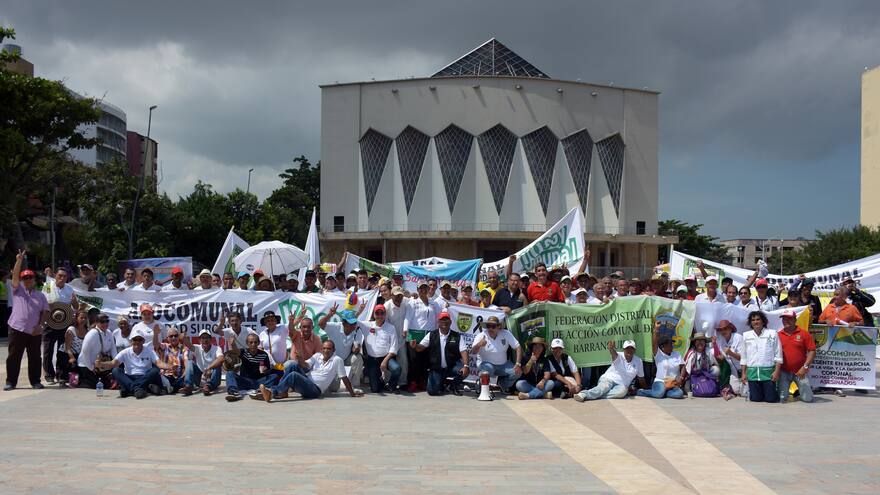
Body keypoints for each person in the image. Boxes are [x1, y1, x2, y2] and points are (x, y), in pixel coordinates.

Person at [259, 339, 364, 402]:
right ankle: (283, 392)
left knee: (294, 375)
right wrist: (299, 358)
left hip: (314, 390)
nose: (326, 350)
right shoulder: (318, 355)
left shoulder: (337, 360)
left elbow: (344, 378)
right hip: (307, 382)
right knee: (293, 366)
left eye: (329, 349)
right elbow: (305, 366)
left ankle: (273, 393)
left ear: (333, 350)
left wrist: (352, 393)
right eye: (324, 348)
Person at [5, 249, 49, 391]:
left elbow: (46, 311)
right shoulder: (18, 290)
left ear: (34, 280)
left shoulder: (40, 296)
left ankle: (35, 381)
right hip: (17, 328)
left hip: (34, 331)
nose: (27, 280)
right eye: (25, 278)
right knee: (13, 357)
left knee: (35, 357)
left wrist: (41, 325)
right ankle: (11, 382)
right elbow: (15, 276)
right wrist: (19, 260)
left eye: (30, 278)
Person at [96, 331, 172, 398]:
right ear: (131, 341)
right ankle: (138, 389)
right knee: (116, 370)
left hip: (144, 377)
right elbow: (113, 363)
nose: (137, 342)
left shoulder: (149, 350)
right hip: (129, 377)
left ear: (143, 341)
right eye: (135, 339)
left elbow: (158, 363)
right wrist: (101, 364)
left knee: (155, 370)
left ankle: (130, 389)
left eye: (140, 340)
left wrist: (170, 366)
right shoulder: (125, 352)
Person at [461, 316, 522, 393]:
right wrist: (479, 344)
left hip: (503, 365)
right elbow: (473, 351)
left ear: (499, 327)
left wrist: (518, 364)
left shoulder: (506, 333)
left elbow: (518, 347)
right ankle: (481, 385)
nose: (490, 329)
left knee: (517, 372)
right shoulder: (481, 335)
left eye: (493, 326)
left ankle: (502, 385)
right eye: (488, 326)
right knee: (488, 368)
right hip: (486, 365)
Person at [410, 311, 463, 396]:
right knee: (432, 391)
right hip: (437, 368)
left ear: (450, 322)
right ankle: (442, 383)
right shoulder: (431, 334)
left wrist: (466, 365)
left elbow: (463, 351)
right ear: (438, 322)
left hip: (452, 366)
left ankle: (453, 385)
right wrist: (415, 346)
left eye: (446, 320)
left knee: (464, 371)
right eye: (442, 320)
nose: (444, 322)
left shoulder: (456, 335)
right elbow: (420, 348)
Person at [41, 266, 78, 383]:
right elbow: (43, 303)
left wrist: (74, 302)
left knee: (62, 350)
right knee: (48, 349)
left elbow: (76, 308)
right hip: (49, 322)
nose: (62, 278)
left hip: (64, 323)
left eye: (64, 276)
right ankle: (49, 374)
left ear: (67, 278)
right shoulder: (47, 287)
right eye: (59, 276)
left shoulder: (70, 290)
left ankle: (61, 375)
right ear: (55, 276)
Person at [575, 340, 645, 401]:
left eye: (631, 348)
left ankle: (596, 395)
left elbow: (641, 378)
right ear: (623, 349)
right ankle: (584, 394)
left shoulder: (638, 361)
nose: (629, 350)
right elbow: (613, 353)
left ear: (635, 350)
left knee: (622, 393)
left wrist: (646, 388)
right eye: (627, 348)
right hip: (608, 379)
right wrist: (611, 348)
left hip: (622, 385)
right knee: (603, 388)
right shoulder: (619, 355)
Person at [318, 304, 365, 392]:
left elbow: (357, 346)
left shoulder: (357, 330)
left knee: (357, 358)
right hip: (334, 361)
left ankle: (355, 386)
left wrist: (356, 349)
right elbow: (320, 324)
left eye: (354, 323)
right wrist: (329, 315)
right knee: (334, 388)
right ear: (343, 323)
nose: (353, 325)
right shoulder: (335, 327)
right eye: (351, 323)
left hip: (346, 359)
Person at [741, 311, 783, 403]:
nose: (755, 322)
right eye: (753, 320)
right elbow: (744, 357)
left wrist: (776, 372)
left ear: (763, 321)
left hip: (768, 374)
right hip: (753, 374)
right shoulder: (746, 335)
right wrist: (744, 373)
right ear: (750, 323)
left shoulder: (772, 334)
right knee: (755, 399)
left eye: (758, 319)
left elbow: (778, 355)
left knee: (771, 399)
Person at [359, 305, 401, 393]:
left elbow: (394, 347)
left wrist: (385, 361)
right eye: (377, 313)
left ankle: (391, 386)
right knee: (375, 389)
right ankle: (382, 382)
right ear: (374, 315)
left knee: (396, 368)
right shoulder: (367, 325)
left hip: (386, 358)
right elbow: (353, 321)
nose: (379, 316)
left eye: (382, 313)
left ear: (385, 314)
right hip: (372, 359)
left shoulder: (391, 327)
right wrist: (360, 311)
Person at [637, 321, 685, 399]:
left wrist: (681, 378)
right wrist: (656, 329)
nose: (672, 346)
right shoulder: (658, 354)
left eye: (672, 344)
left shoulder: (677, 354)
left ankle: (664, 391)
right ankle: (641, 391)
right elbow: (654, 343)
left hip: (672, 383)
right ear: (663, 347)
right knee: (659, 394)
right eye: (669, 344)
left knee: (679, 394)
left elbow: (683, 366)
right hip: (660, 381)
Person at [225, 333, 279, 402]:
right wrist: (233, 344)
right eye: (251, 342)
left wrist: (265, 370)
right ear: (247, 343)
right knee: (230, 373)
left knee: (275, 375)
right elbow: (235, 351)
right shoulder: (244, 352)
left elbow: (267, 372)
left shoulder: (264, 354)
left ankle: (261, 391)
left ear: (258, 343)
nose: (253, 344)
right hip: (245, 381)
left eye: (255, 342)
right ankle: (233, 392)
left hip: (259, 382)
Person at [777, 309, 816, 403]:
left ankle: (800, 391)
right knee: (782, 399)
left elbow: (812, 351)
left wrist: (805, 367)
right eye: (784, 319)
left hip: (800, 371)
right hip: (784, 371)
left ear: (795, 319)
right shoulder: (778, 335)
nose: (786, 321)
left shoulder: (804, 334)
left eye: (789, 319)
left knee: (808, 399)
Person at [75, 313, 115, 389]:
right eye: (102, 322)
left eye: (107, 321)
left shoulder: (109, 333)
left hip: (100, 365)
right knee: (95, 385)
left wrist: (115, 363)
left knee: (106, 385)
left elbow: (113, 350)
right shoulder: (92, 334)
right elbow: (85, 352)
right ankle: (79, 380)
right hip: (86, 365)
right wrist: (91, 367)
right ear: (96, 322)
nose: (105, 323)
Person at [180, 329, 224, 396]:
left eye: (207, 338)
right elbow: (189, 345)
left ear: (211, 339)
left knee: (218, 365)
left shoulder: (217, 348)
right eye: (203, 338)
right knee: (190, 362)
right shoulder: (197, 348)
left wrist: (209, 368)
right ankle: (188, 386)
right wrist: (184, 338)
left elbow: (221, 358)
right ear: (199, 340)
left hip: (212, 377)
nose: (205, 340)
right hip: (200, 377)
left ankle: (208, 387)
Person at [383, 286, 412, 389]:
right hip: (390, 339)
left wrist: (405, 329)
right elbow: (384, 324)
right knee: (389, 362)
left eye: (400, 295)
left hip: (402, 338)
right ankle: (387, 381)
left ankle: (403, 382)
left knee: (403, 360)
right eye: (396, 296)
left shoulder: (406, 302)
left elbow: (414, 302)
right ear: (391, 295)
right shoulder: (386, 306)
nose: (398, 298)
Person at [712, 319, 744, 400]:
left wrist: (731, 353)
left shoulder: (738, 338)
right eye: (721, 329)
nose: (723, 331)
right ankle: (729, 388)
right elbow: (720, 357)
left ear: (730, 329)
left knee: (744, 393)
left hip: (744, 369)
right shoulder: (721, 340)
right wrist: (714, 344)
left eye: (725, 328)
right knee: (737, 390)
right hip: (733, 371)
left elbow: (743, 358)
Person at [59, 308, 89, 384]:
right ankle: (63, 377)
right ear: (76, 318)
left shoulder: (88, 330)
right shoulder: (71, 330)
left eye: (85, 318)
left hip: (78, 354)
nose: (83, 320)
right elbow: (67, 348)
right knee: (70, 364)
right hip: (67, 354)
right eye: (81, 318)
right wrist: (72, 358)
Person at [155, 326, 188, 394]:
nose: (173, 338)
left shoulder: (184, 348)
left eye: (175, 336)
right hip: (166, 376)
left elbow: (187, 363)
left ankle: (167, 389)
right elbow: (155, 345)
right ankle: (170, 388)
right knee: (155, 373)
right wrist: (155, 334)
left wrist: (185, 374)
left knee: (186, 376)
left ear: (178, 337)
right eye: (171, 336)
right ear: (167, 338)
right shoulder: (165, 346)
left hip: (179, 376)